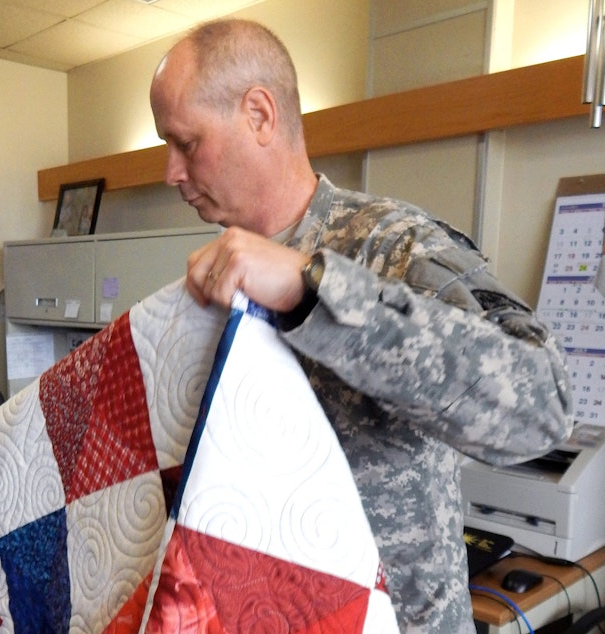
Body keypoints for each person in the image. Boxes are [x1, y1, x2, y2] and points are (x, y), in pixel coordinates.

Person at [147, 19, 572, 632]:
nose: (171, 173)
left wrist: (313, 291)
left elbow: (543, 404)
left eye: (186, 143)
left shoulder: (393, 247)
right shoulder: (217, 275)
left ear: (260, 115)